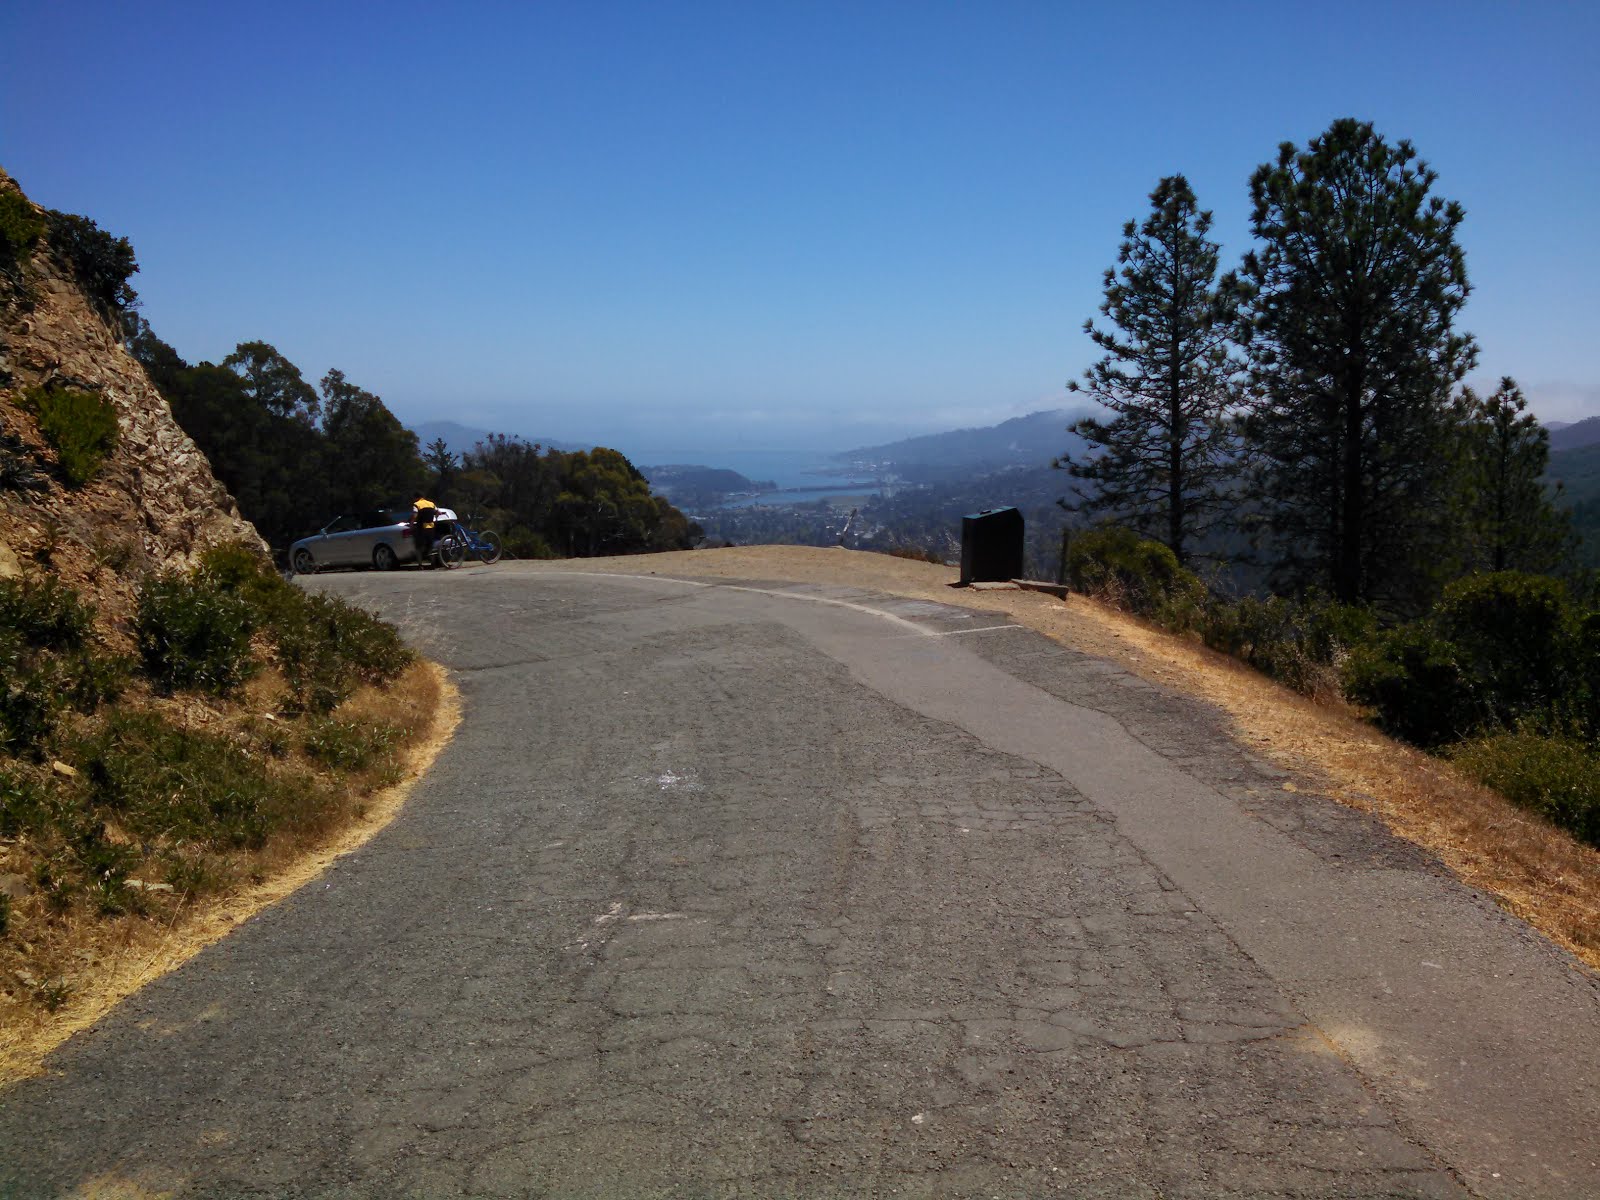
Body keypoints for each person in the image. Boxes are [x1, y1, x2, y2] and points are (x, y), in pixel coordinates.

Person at [411, 493, 438, 567]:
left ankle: (420, 565)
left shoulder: (416, 504)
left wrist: (411, 524)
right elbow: (438, 512)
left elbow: (415, 515)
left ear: (416, 498)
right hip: (431, 527)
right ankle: (433, 564)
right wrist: (435, 519)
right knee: (430, 546)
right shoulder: (431, 503)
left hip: (421, 528)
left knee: (418, 547)